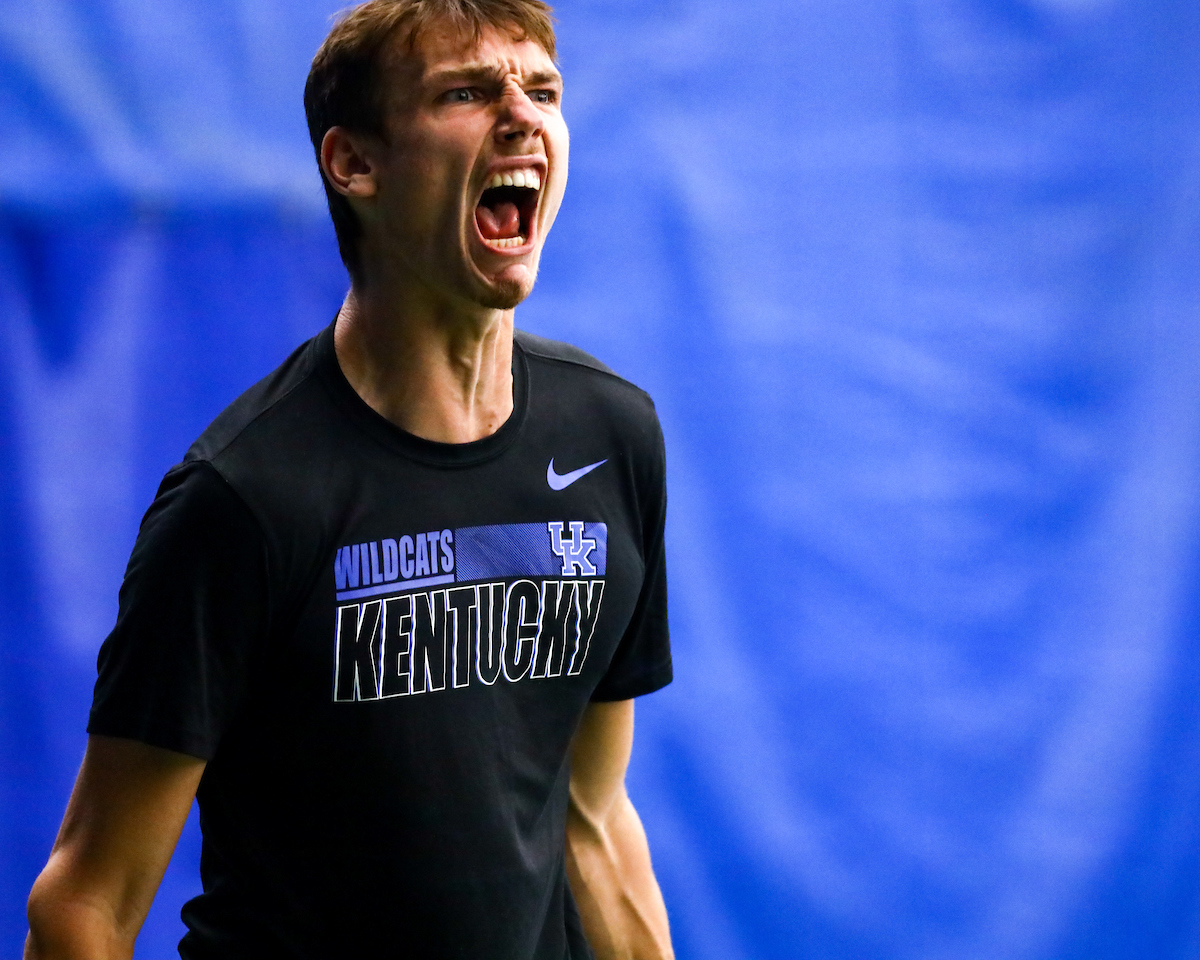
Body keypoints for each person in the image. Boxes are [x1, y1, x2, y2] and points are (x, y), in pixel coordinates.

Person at [23, 1, 675, 957]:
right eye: (466, 91)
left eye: (542, 89)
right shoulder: (240, 499)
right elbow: (87, 901)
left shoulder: (613, 436)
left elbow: (595, 816)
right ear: (354, 164)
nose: (522, 114)